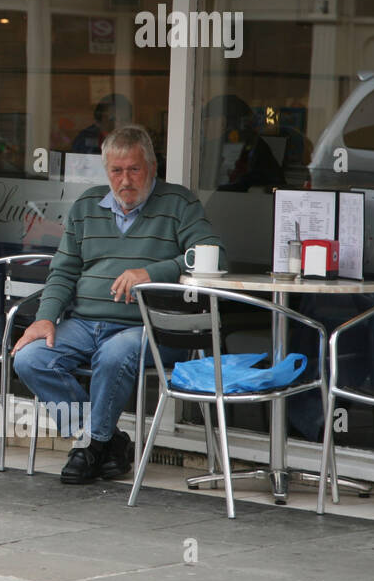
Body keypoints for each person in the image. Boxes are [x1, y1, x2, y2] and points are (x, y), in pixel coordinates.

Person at [12, 124, 223, 484]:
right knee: (30, 359)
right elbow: (63, 271)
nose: (125, 180)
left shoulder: (179, 203)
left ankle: (89, 447)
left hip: (149, 327)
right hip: (83, 323)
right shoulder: (87, 206)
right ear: (106, 171)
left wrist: (152, 273)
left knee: (113, 356)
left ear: (152, 168)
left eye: (134, 169)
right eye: (117, 170)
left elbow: (212, 257)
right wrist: (45, 318)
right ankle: (107, 441)